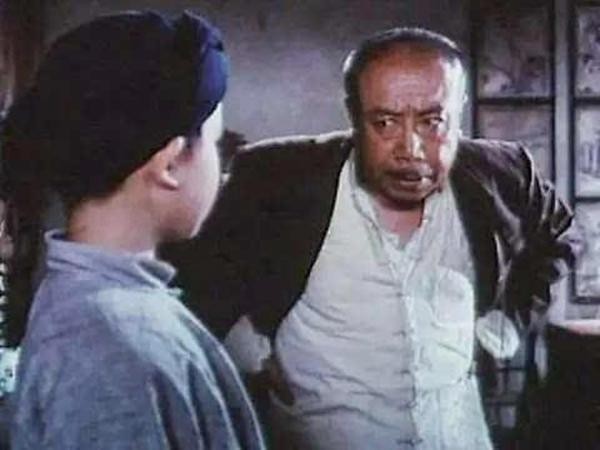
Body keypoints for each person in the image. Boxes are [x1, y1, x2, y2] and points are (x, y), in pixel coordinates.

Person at [163, 28, 579, 449]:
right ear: (354, 115)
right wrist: (244, 361)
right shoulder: (278, 179)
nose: (411, 148)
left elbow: (561, 235)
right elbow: (187, 290)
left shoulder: (502, 173)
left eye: (432, 122)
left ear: (460, 111)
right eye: (385, 123)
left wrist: (510, 319)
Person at [4, 11, 265, 449]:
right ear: (169, 164)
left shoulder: (102, 310)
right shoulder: (110, 349)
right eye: (216, 143)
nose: (221, 169)